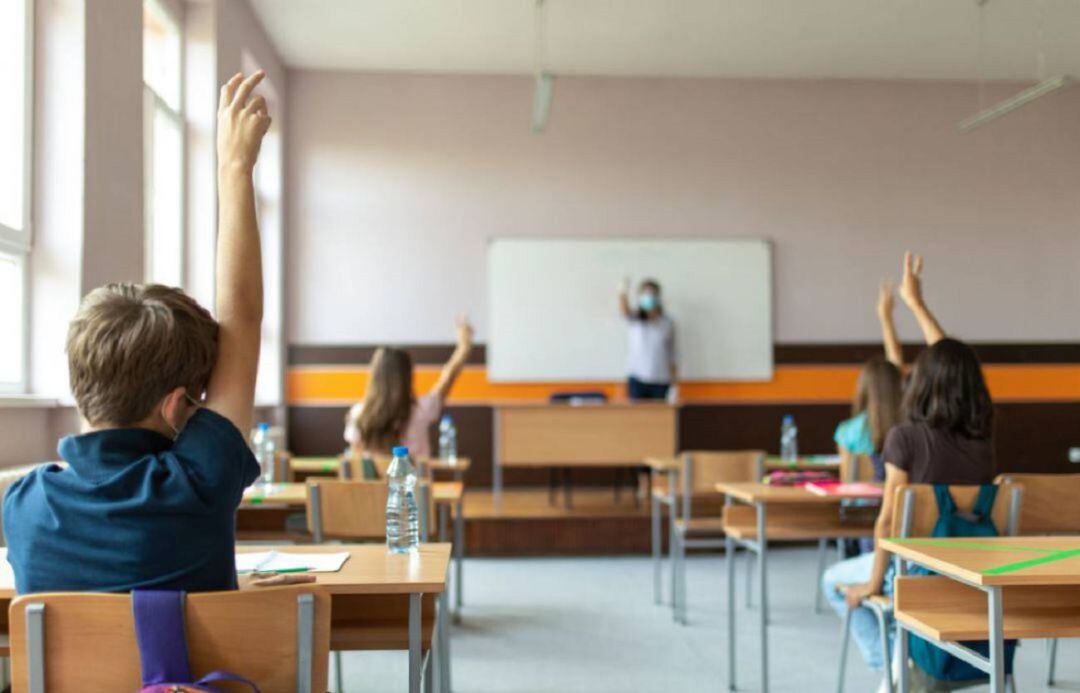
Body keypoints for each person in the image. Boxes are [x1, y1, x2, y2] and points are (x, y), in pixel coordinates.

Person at [4, 72, 308, 593]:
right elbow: (243, 319)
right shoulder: (197, 482)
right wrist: (235, 167)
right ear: (175, 404)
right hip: (190, 676)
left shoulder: (25, 504)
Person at [822, 253, 995, 690]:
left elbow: (887, 521)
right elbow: (956, 366)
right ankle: (902, 661)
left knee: (833, 581)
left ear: (919, 385)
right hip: (973, 570)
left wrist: (875, 583)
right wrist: (916, 304)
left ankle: (891, 667)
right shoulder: (983, 437)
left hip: (914, 573)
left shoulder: (904, 437)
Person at [344, 316, 473, 457]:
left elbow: (355, 466)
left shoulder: (359, 415)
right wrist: (464, 346)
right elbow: (448, 377)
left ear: (374, 377)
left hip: (376, 480)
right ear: (408, 377)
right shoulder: (421, 410)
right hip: (417, 479)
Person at [833, 282, 904, 485]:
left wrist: (884, 316)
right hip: (902, 512)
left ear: (863, 388)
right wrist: (886, 317)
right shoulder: (910, 426)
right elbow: (895, 363)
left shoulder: (848, 432)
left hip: (859, 512)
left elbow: (847, 483)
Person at [618, 278, 677, 401]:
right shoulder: (635, 319)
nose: (649, 297)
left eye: (652, 294)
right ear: (640, 297)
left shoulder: (667, 323)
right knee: (637, 418)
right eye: (646, 294)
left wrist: (674, 384)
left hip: (661, 380)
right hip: (637, 378)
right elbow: (624, 311)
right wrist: (622, 291)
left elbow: (672, 354)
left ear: (658, 297)